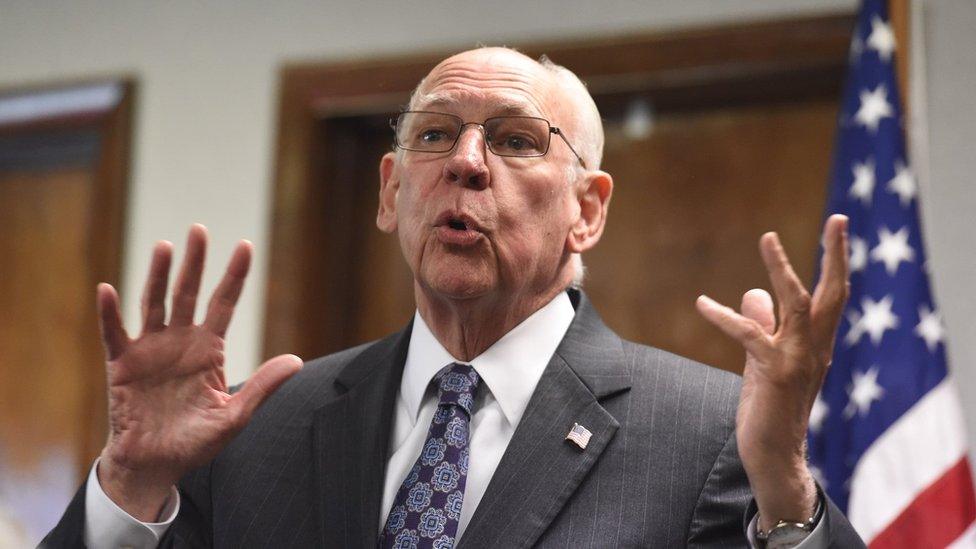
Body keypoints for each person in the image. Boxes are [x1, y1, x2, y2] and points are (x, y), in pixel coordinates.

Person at [43, 47, 863, 548]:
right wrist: (131, 484)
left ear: (588, 210)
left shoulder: (709, 432)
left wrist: (786, 490)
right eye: (435, 134)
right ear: (391, 191)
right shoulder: (262, 427)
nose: (466, 162)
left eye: (514, 140)